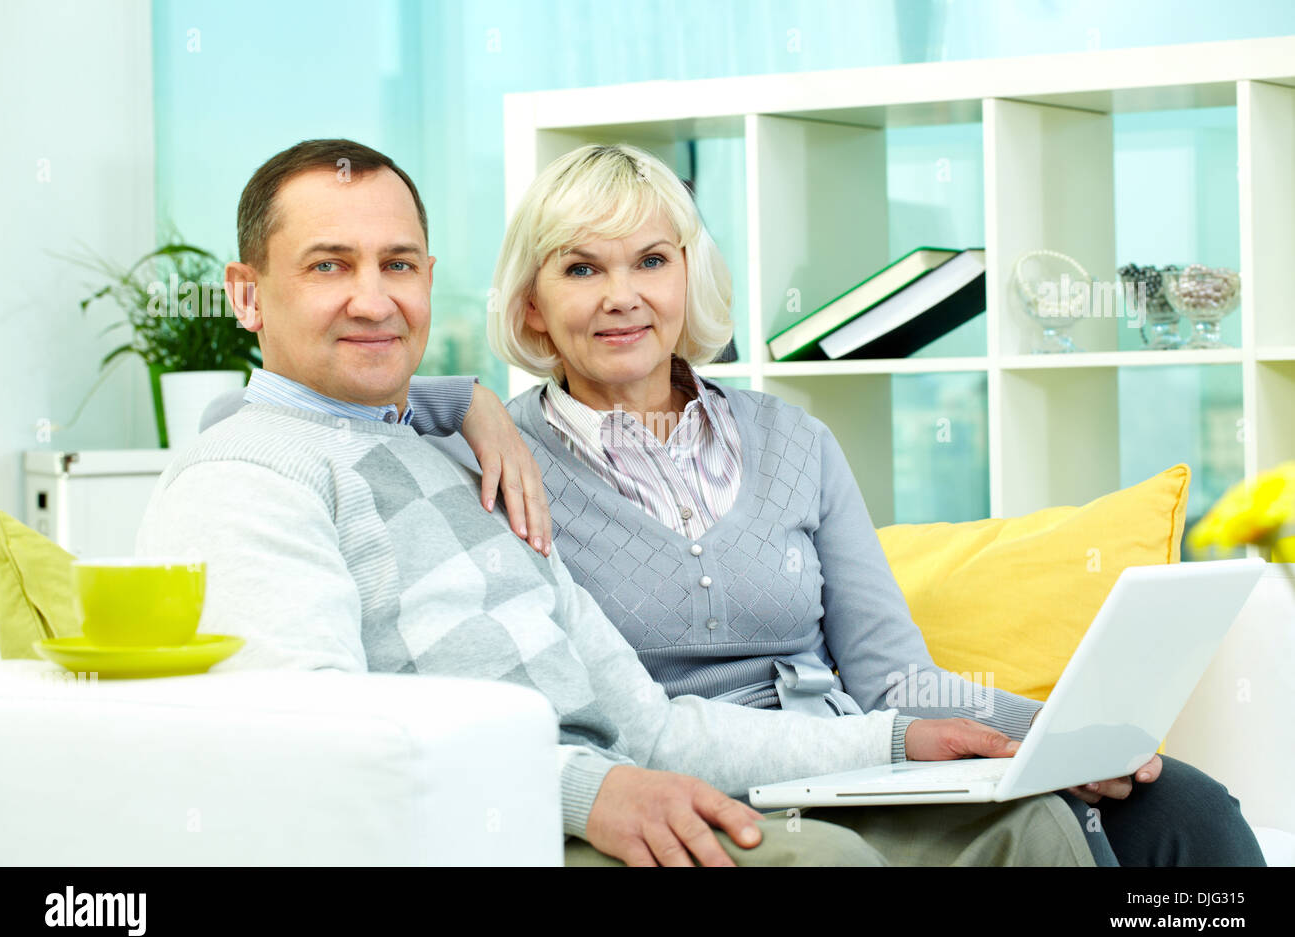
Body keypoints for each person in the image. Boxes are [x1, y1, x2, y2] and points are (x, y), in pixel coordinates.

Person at [156, 137, 1095, 867]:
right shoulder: (247, 474)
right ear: (248, 295)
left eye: (397, 265)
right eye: (328, 266)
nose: (373, 299)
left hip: (618, 780)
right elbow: (310, 735)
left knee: (1023, 836)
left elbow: (651, 729)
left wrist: (900, 737)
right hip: (490, 821)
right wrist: (584, 791)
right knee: (825, 858)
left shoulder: (459, 456)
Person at [460, 142, 1266, 867]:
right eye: (580, 269)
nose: (621, 296)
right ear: (530, 304)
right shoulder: (501, 463)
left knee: (1181, 809)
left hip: (854, 764)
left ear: (688, 274)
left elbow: (895, 676)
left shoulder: (793, 440)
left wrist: (1049, 734)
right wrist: (459, 398)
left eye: (650, 261)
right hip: (687, 788)